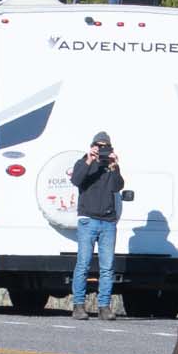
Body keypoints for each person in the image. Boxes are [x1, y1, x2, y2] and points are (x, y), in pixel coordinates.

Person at [68, 132, 125, 319]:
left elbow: (118, 186)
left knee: (107, 267)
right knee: (83, 264)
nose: (102, 149)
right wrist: (89, 160)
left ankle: (104, 306)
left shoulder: (110, 167)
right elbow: (76, 180)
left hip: (108, 222)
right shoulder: (83, 162)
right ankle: (78, 306)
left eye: (105, 146)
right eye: (98, 146)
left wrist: (115, 166)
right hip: (88, 220)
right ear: (92, 146)